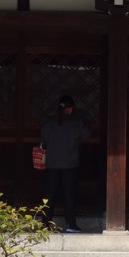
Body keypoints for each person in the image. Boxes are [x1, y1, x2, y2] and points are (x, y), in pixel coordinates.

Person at [40, 95, 90, 232]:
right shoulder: (76, 122)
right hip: (70, 163)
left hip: (51, 163)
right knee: (69, 194)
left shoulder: (49, 122)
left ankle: (45, 224)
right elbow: (87, 134)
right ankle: (71, 224)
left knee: (49, 194)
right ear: (70, 108)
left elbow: (43, 140)